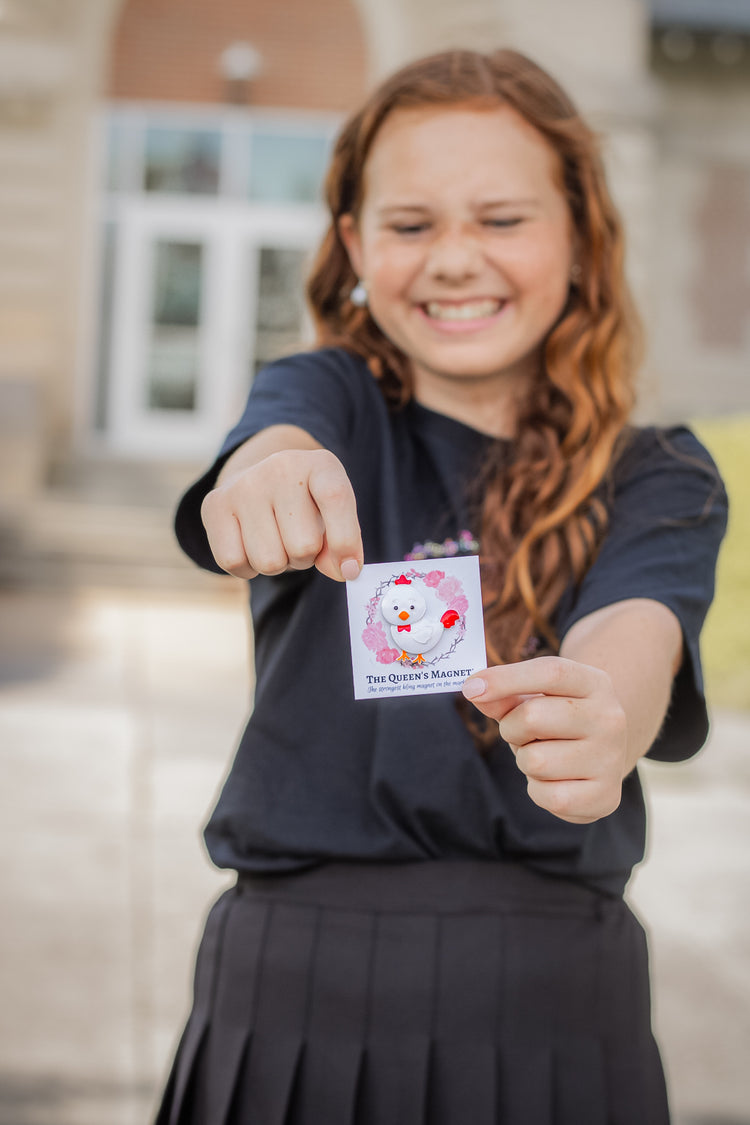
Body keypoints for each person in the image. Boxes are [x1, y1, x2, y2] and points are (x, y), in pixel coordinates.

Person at [155, 48, 727, 1125]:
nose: (455, 259)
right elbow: (276, 438)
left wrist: (598, 713)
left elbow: (635, 634)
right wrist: (269, 473)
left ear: (581, 239)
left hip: (555, 1003)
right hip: (287, 992)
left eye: (502, 220)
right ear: (355, 246)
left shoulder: (663, 476)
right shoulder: (324, 397)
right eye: (412, 225)